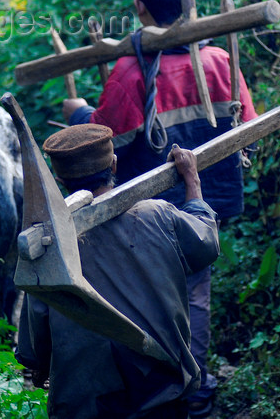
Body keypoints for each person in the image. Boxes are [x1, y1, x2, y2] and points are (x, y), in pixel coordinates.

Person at [62, 0, 258, 417]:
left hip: (148, 214)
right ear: (189, 2)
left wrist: (76, 113)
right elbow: (244, 122)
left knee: (147, 297)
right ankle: (196, 387)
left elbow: (101, 138)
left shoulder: (132, 74)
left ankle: (160, 385)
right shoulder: (219, 61)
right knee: (195, 293)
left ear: (139, 8)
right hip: (209, 201)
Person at [15, 124, 220, 419]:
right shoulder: (158, 214)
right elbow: (206, 244)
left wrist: (42, 369)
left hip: (86, 403)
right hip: (162, 390)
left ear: (60, 180)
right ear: (113, 163)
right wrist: (192, 180)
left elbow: (33, 352)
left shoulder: (48, 247)